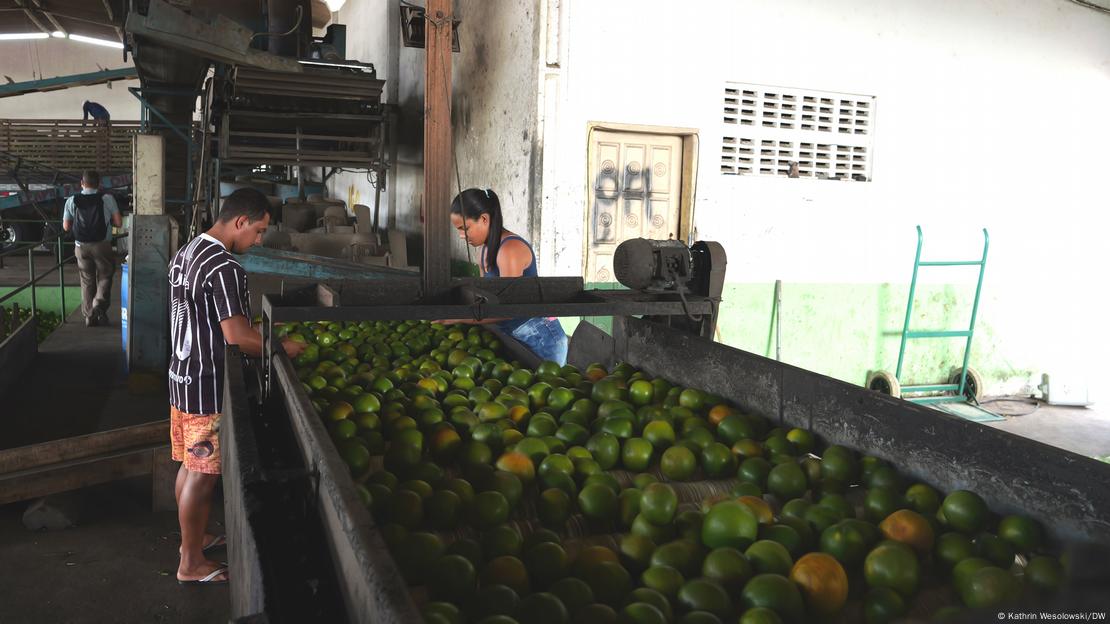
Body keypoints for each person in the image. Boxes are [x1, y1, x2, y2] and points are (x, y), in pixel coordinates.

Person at [167, 188, 305, 585]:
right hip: (209, 385)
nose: (259, 240)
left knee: (189, 465)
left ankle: (194, 538)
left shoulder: (190, 251)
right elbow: (236, 337)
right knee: (202, 475)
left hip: (183, 377)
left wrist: (256, 333)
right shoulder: (224, 267)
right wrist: (281, 345)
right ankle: (190, 563)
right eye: (259, 231)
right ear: (240, 221)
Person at [445, 188, 569, 365]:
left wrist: (460, 317)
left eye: (465, 228)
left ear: (484, 219)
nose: (462, 236)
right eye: (458, 230)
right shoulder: (483, 251)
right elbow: (484, 299)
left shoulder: (510, 250)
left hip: (540, 337)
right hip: (512, 334)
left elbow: (508, 310)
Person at [62, 169, 122, 327]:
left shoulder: (72, 200)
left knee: (87, 280)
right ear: (99, 184)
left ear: (81, 183)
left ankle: (89, 316)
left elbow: (66, 227)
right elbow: (118, 223)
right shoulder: (107, 198)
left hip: (81, 246)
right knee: (105, 275)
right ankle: (98, 304)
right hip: (102, 245)